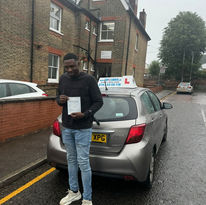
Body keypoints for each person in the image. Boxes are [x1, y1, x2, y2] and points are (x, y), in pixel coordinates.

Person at [56, 53, 103, 205]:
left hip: (83, 128)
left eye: (72, 66)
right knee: (71, 160)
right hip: (67, 126)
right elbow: (58, 98)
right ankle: (74, 191)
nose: (69, 70)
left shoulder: (89, 80)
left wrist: (85, 114)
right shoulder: (63, 78)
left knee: (83, 162)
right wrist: (60, 100)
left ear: (79, 63)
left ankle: (87, 199)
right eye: (66, 67)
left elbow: (98, 102)